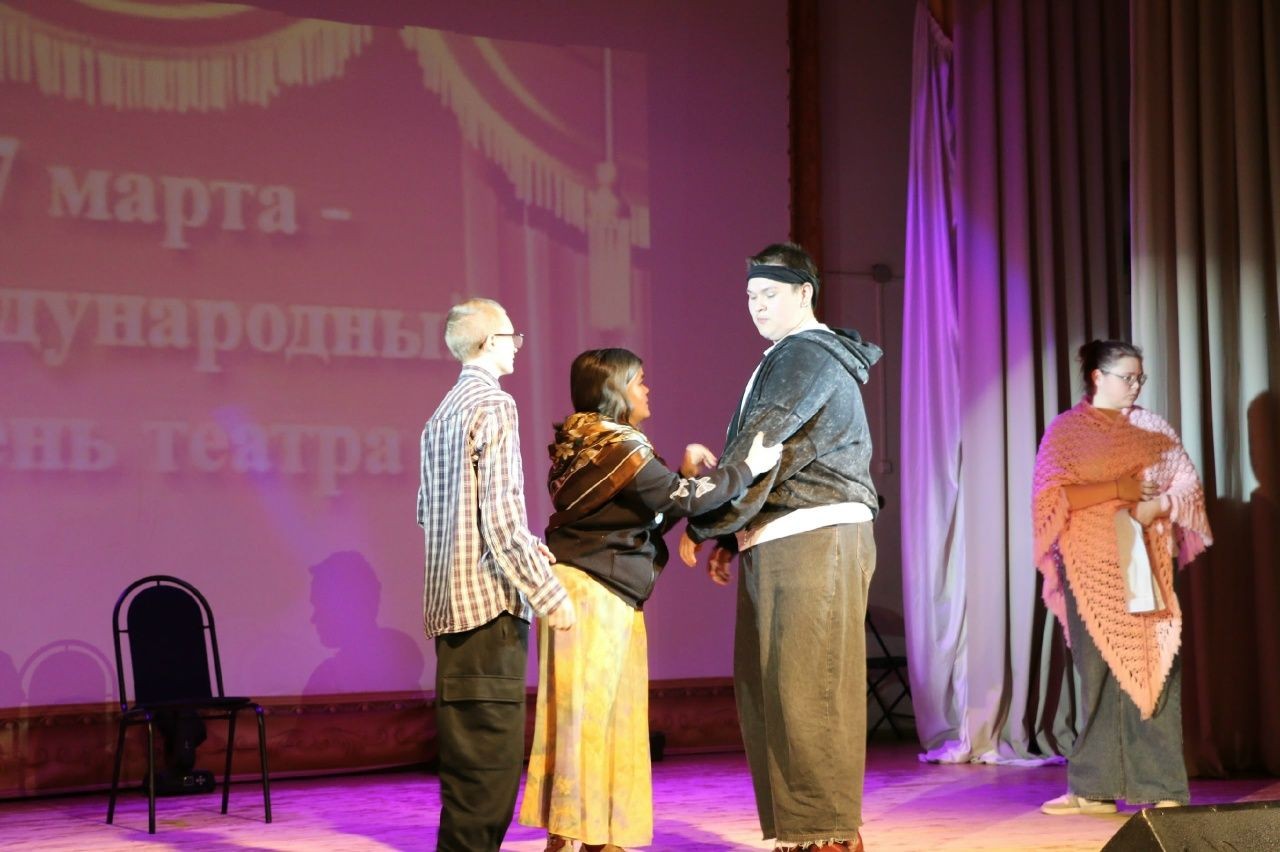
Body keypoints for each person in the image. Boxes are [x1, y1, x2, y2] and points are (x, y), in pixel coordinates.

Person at [520, 348, 782, 852]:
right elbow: (686, 498)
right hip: (594, 591)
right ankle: (571, 835)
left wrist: (681, 472)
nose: (647, 389)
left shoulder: (589, 444)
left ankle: (601, 835)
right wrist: (748, 466)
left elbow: (648, 515)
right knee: (588, 719)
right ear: (616, 389)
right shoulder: (616, 446)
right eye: (639, 380)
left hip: (601, 589)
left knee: (609, 716)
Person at [681, 242, 882, 852]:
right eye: (750, 296)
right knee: (772, 689)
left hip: (815, 535)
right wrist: (733, 534)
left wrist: (705, 518)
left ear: (804, 293)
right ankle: (805, 833)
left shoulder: (806, 353)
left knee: (809, 689)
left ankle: (828, 836)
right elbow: (777, 457)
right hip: (784, 534)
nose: (757, 306)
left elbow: (763, 445)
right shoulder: (791, 354)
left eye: (770, 294)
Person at [417, 297, 576, 852]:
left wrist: (529, 548)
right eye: (512, 336)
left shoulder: (440, 415)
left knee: (468, 778)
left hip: (450, 615)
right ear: (488, 342)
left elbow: (430, 514)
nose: (517, 346)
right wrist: (551, 596)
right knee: (489, 781)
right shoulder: (494, 404)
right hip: (488, 614)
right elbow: (503, 521)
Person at [1033, 340, 1212, 815]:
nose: (1135, 385)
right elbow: (1054, 496)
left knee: (1154, 665)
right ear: (1098, 377)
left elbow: (1186, 484)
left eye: (1139, 378)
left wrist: (1158, 504)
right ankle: (1093, 788)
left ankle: (1162, 786)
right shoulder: (1066, 431)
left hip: (1142, 558)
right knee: (1095, 674)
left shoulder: (1152, 428)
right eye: (1127, 377)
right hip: (1088, 563)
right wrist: (1118, 487)